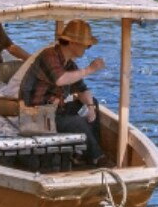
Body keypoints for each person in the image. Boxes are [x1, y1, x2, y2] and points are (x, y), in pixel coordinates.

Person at [22, 19, 111, 166]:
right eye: (86, 45)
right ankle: (98, 157)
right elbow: (60, 79)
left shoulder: (69, 63)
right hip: (35, 115)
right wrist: (89, 70)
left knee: (93, 103)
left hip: (54, 112)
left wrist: (90, 106)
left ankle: (83, 155)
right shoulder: (49, 55)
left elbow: (82, 88)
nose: (87, 48)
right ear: (73, 43)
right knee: (76, 122)